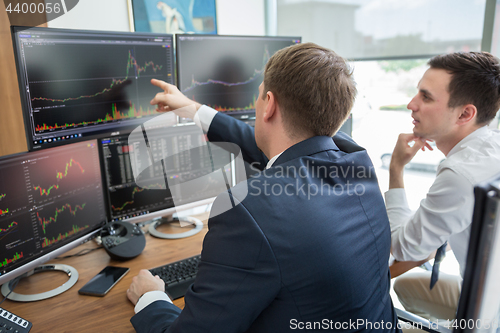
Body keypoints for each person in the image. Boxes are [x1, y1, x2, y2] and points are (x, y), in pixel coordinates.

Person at [127, 43, 400, 332]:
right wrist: (194, 110)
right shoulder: (355, 160)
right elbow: (286, 147)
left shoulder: (246, 214)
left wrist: (151, 297)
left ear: (268, 104)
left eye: (258, 97)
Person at [386, 51, 500, 321]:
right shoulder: (491, 146)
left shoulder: (460, 174)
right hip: (490, 294)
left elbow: (403, 247)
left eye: (425, 97)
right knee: (405, 286)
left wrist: (396, 169)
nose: (411, 105)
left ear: (464, 114)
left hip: (489, 314)